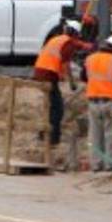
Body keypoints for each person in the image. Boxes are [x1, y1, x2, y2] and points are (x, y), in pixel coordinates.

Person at [32, 20, 93, 148]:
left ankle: (45, 134)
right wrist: (71, 83)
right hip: (48, 74)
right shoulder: (68, 44)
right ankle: (53, 137)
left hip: (41, 71)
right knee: (57, 108)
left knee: (52, 105)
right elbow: (66, 64)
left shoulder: (58, 39)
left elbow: (74, 44)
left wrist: (85, 46)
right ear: (76, 34)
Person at [82, 34, 112, 171]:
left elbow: (84, 76)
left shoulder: (90, 59)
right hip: (111, 102)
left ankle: (96, 165)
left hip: (93, 102)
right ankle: (110, 165)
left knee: (95, 135)